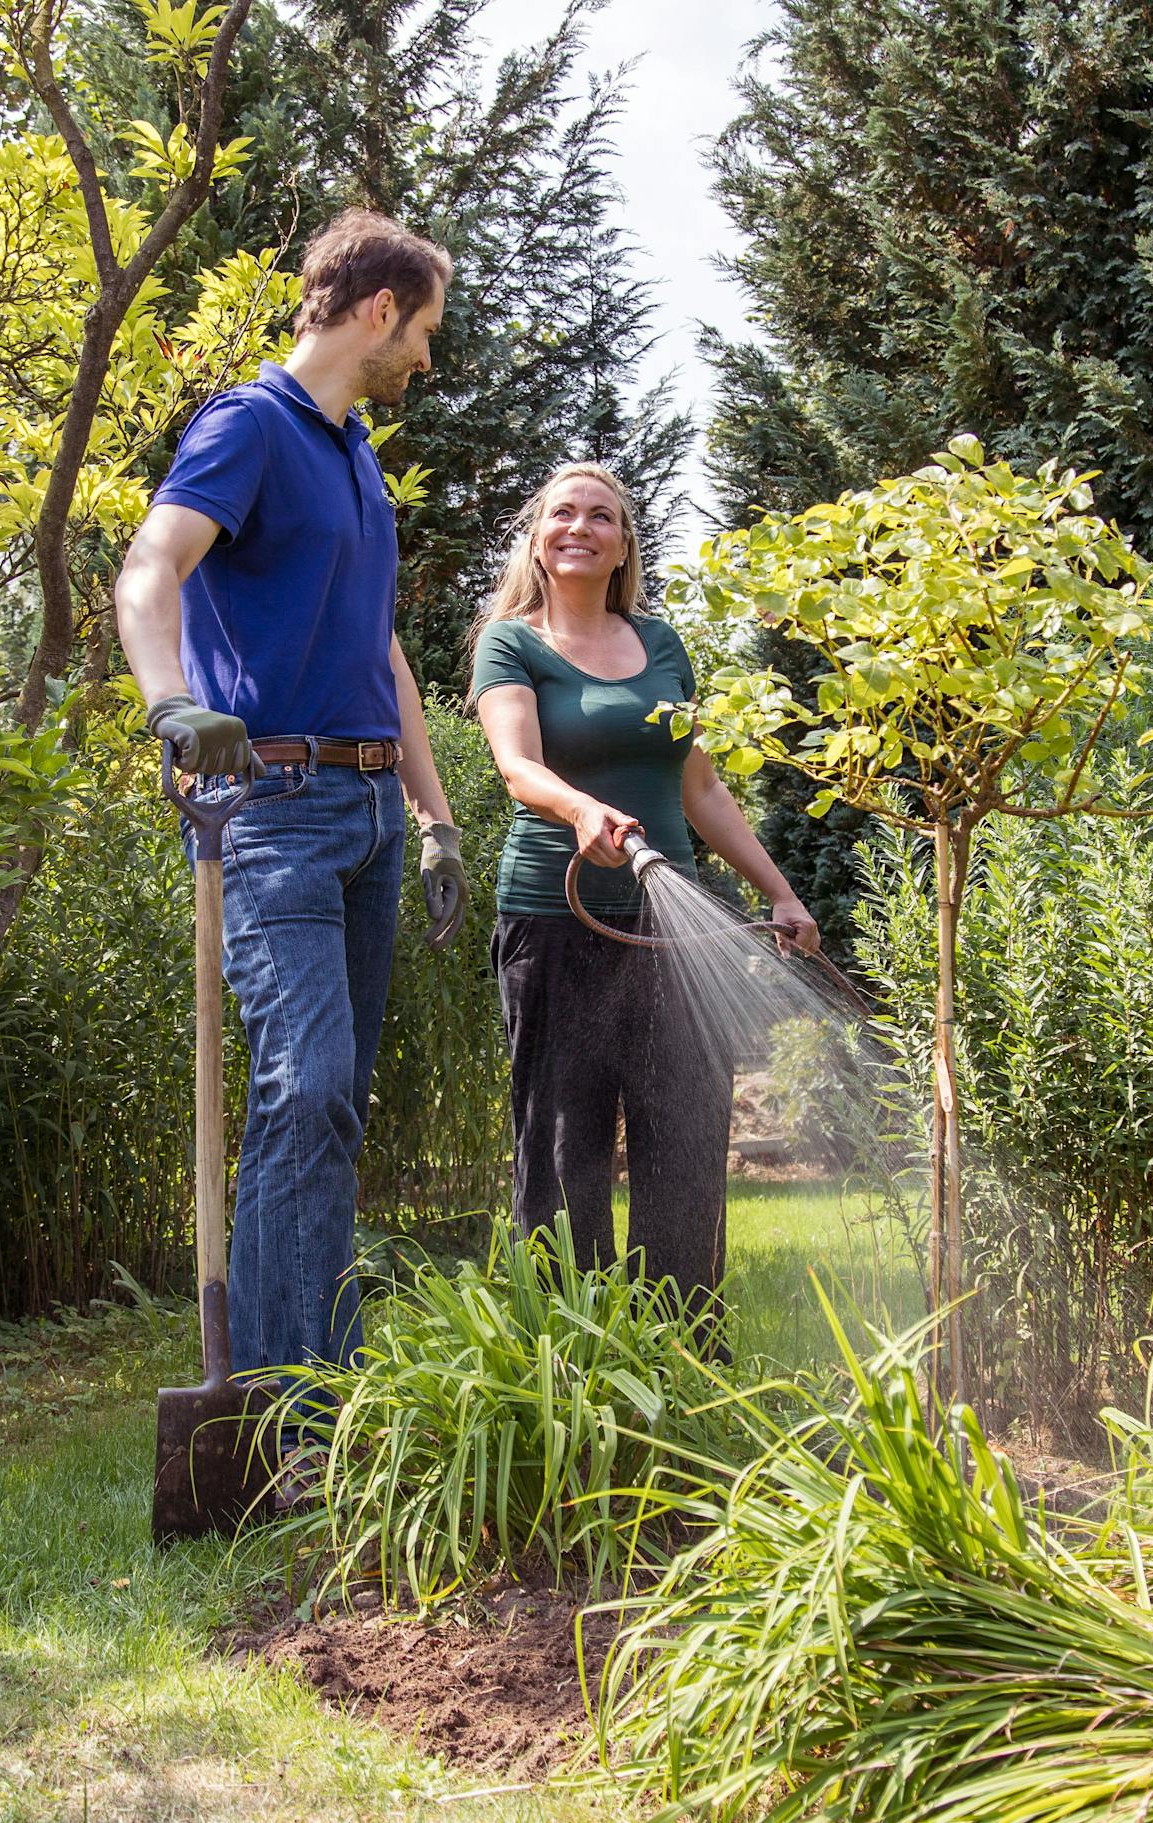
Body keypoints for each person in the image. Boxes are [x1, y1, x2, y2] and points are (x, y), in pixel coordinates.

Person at [114, 207, 468, 1392]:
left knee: (327, 1111)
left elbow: (387, 658)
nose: (426, 355)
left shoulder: (355, 452)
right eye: (422, 329)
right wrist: (172, 705)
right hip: (268, 807)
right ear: (377, 310)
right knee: (303, 1086)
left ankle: (321, 1389)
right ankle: (279, 1400)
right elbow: (151, 567)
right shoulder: (249, 426)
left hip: (367, 813)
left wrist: (433, 818)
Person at [469, 463, 818, 1315]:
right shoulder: (512, 642)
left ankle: (682, 1354)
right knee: (564, 1149)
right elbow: (518, 768)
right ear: (539, 538)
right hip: (557, 925)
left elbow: (700, 789)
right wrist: (583, 809)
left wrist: (779, 891)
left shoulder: (662, 646)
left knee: (687, 1143)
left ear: (623, 543)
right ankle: (569, 1358)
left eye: (601, 516)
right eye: (562, 514)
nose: (579, 527)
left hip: (674, 936)